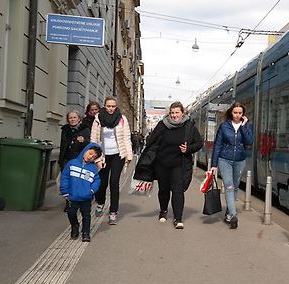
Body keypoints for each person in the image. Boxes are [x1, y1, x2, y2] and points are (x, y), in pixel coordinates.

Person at [143, 101, 202, 229]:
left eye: (177, 112)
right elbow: (152, 141)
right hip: (162, 163)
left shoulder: (189, 126)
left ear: (182, 113)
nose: (174, 115)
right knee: (163, 189)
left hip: (179, 164)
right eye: (172, 113)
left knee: (178, 190)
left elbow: (199, 143)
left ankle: (178, 218)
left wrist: (188, 149)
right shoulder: (162, 125)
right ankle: (163, 210)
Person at [90, 96, 133, 225]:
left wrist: (129, 155)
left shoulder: (122, 119)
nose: (111, 108)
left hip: (117, 155)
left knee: (114, 183)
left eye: (113, 106)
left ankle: (113, 211)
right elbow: (93, 139)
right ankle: (101, 203)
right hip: (103, 156)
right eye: (108, 106)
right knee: (102, 183)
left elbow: (126, 138)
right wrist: (95, 157)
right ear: (104, 106)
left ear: (116, 106)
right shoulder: (98, 119)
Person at [210, 102, 254, 229]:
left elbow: (249, 141)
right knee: (229, 186)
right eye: (235, 112)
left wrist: (244, 126)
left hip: (240, 160)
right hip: (225, 159)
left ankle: (229, 213)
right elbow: (217, 145)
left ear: (243, 114)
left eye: (240, 113)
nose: (237, 115)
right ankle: (233, 215)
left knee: (235, 187)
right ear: (231, 112)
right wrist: (214, 165)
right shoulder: (224, 126)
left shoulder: (247, 126)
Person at [60, 143, 102, 242]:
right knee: (71, 213)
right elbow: (65, 177)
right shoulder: (72, 163)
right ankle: (75, 226)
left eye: (94, 157)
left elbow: (97, 181)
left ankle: (86, 233)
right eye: (90, 153)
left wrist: (91, 191)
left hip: (86, 197)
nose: (90, 157)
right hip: (72, 196)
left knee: (86, 216)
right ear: (85, 150)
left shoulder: (93, 169)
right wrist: (64, 191)